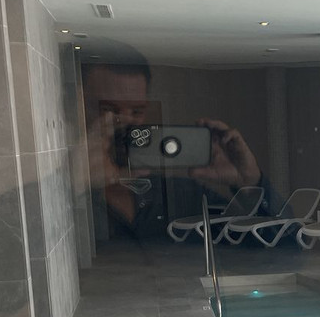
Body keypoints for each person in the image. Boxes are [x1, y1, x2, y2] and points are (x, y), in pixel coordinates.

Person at [81, 48, 284, 235]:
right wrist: (77, 187)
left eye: (137, 111)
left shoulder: (182, 196)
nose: (126, 123)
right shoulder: (74, 193)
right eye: (108, 110)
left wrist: (249, 182)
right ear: (75, 109)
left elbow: (284, 244)